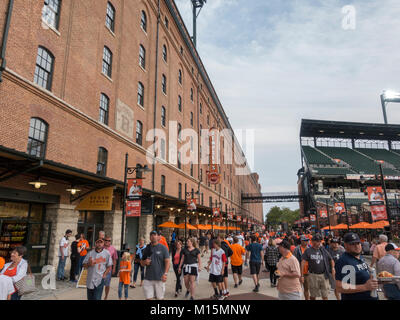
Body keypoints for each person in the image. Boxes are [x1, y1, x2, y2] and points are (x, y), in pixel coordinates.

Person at [335, 232, 378, 300]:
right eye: (352, 244)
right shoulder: (344, 261)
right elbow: (340, 287)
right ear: (345, 245)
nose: (357, 246)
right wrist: (365, 287)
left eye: (358, 243)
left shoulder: (359, 256)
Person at [301, 234, 334, 300]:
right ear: (312, 242)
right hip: (313, 275)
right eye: (317, 241)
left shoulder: (323, 250)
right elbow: (303, 262)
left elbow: (331, 259)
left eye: (320, 241)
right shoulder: (308, 251)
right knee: (313, 295)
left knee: (325, 294)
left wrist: (333, 268)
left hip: (324, 275)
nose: (319, 243)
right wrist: (301, 275)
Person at [140, 231, 170, 300]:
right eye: (151, 235)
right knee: (148, 298)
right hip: (148, 278)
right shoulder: (146, 249)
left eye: (154, 235)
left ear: (158, 237)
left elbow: (167, 262)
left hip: (159, 278)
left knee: (160, 298)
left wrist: (165, 274)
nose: (153, 236)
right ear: (150, 237)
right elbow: (141, 262)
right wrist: (145, 262)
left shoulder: (163, 248)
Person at [103, 235, 118, 300]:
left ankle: (106, 296)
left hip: (108, 269)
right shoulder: (101, 247)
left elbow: (114, 259)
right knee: (99, 284)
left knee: (107, 284)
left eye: (109, 241)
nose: (107, 242)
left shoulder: (113, 249)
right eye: (106, 240)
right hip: (100, 269)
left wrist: (114, 268)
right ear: (104, 240)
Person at [218, 234, 233, 298]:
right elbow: (231, 252)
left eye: (218, 238)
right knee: (225, 276)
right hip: (226, 262)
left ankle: (223, 292)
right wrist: (227, 256)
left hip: (222, 263)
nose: (217, 239)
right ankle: (226, 290)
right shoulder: (226, 244)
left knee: (221, 277)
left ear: (220, 238)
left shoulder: (221, 246)